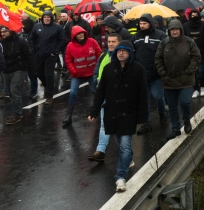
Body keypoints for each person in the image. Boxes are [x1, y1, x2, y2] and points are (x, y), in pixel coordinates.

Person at [88, 40, 148, 192]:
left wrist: (143, 117)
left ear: (130, 53)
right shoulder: (108, 68)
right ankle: (129, 159)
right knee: (119, 142)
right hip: (112, 112)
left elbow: (143, 94)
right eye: (119, 50)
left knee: (125, 145)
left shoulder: (138, 69)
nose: (121, 52)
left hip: (129, 112)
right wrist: (94, 111)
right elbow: (100, 92)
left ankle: (120, 177)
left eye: (125, 50)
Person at [155, 19, 201, 140]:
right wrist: (163, 73)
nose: (174, 32)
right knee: (172, 106)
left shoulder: (189, 42)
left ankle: (186, 120)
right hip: (169, 81)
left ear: (180, 30)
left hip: (186, 80)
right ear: (169, 31)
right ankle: (175, 128)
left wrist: (189, 71)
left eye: (176, 29)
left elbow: (196, 57)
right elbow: (158, 59)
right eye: (172, 30)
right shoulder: (164, 43)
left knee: (185, 102)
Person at [132, 14, 167, 134]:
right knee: (144, 100)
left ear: (150, 23)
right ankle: (147, 123)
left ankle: (162, 113)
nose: (142, 26)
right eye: (140, 23)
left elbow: (165, 53)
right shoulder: (136, 37)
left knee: (158, 97)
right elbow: (132, 53)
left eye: (144, 23)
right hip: (141, 75)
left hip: (156, 74)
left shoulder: (160, 35)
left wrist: (161, 69)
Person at [88, 33, 121, 163]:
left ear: (119, 42)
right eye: (109, 41)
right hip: (105, 96)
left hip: (119, 98)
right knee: (104, 124)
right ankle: (100, 151)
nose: (111, 44)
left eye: (114, 41)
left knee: (120, 127)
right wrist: (98, 89)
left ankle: (127, 156)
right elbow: (96, 72)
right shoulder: (103, 56)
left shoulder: (122, 57)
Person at [63, 26, 102, 126]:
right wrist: (73, 71)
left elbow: (99, 54)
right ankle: (68, 116)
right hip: (77, 74)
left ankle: (101, 112)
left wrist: (97, 68)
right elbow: (68, 60)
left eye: (82, 33)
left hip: (91, 72)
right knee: (73, 93)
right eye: (78, 34)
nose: (80, 35)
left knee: (95, 91)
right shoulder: (70, 46)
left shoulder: (92, 42)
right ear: (74, 36)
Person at [29, 10, 66, 105]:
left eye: (48, 17)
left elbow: (62, 40)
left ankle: (49, 95)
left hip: (51, 55)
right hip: (39, 54)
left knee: (49, 74)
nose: (46, 19)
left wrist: (56, 51)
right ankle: (48, 85)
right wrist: (33, 50)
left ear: (51, 18)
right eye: (45, 17)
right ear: (42, 18)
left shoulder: (57, 27)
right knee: (38, 72)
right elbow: (31, 39)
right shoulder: (37, 26)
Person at [0, 26, 32, 124]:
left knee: (15, 90)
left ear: (10, 31)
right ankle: (16, 109)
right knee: (10, 92)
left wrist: (33, 70)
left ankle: (17, 114)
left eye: (5, 31)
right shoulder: (0, 43)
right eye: (1, 32)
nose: (3, 33)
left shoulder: (21, 41)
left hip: (19, 68)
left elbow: (28, 55)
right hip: (6, 70)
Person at [183, 8, 204, 98]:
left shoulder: (202, 24)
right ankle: (196, 89)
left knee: (201, 71)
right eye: (192, 16)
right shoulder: (185, 26)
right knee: (193, 72)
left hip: (201, 51)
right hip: (190, 52)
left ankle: (203, 87)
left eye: (196, 15)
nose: (194, 17)